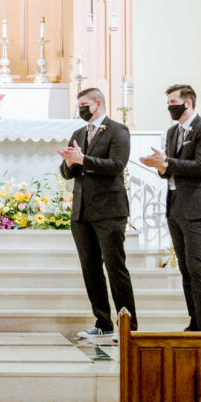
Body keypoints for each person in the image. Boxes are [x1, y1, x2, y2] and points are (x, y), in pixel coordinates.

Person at [58, 87, 137, 341]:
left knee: (115, 268)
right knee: (90, 268)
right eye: (78, 104)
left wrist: (83, 160)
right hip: (81, 211)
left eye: (84, 104)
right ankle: (103, 321)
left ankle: (129, 325)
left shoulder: (118, 131)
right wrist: (69, 163)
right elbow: (68, 172)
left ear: (98, 104)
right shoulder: (78, 133)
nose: (80, 109)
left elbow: (117, 165)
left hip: (109, 210)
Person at [140, 84, 201, 331]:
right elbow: (170, 170)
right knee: (185, 269)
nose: (169, 107)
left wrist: (167, 163)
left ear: (188, 103)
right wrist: (160, 166)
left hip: (196, 206)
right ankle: (194, 322)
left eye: (172, 101)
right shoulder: (173, 131)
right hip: (175, 206)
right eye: (167, 102)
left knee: (197, 266)